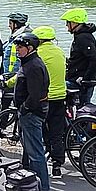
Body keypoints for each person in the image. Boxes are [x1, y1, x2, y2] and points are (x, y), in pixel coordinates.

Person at [14, 33, 51, 191]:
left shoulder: (33, 66)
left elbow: (35, 94)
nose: (17, 50)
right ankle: (31, 185)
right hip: (31, 112)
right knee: (30, 151)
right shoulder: (29, 62)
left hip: (32, 114)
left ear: (30, 48)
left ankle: (42, 190)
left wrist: (24, 108)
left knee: (36, 152)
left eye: (20, 47)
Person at [33, 26, 67, 179]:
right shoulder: (59, 51)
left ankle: (43, 157)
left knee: (41, 129)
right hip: (60, 96)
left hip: (46, 98)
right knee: (57, 132)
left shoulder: (38, 54)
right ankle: (57, 164)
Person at [61, 8, 96, 106]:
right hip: (77, 79)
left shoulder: (83, 38)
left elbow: (95, 59)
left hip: (81, 82)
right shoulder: (80, 36)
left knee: (82, 108)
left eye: (68, 22)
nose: (66, 25)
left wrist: (85, 79)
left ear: (75, 22)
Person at [2, 12, 32, 84]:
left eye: (10, 23)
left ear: (16, 24)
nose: (9, 26)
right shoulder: (14, 37)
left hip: (15, 76)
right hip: (9, 76)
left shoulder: (22, 38)